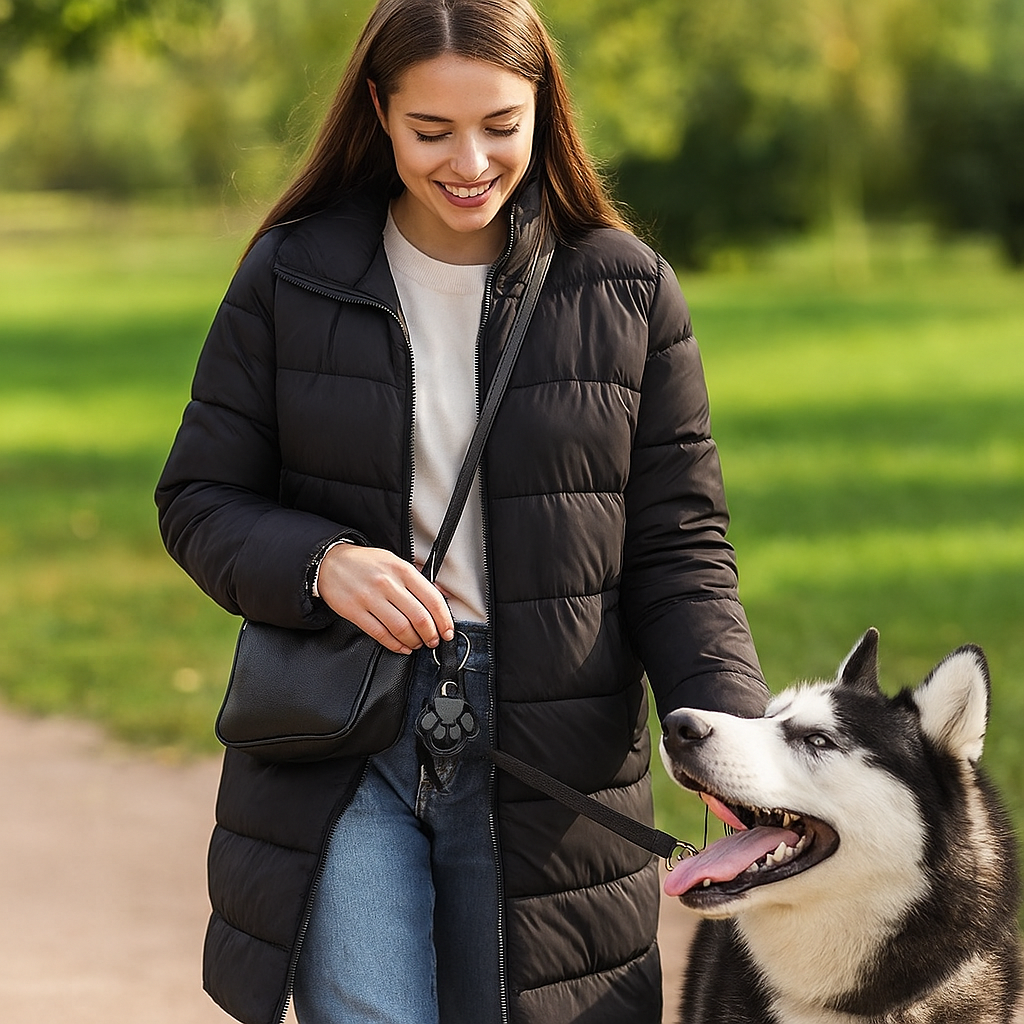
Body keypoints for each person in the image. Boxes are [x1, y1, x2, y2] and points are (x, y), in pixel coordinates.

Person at [155, 1, 769, 1022]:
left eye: (500, 125)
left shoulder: (623, 292)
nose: (469, 161)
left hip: (550, 747)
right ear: (378, 114)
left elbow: (679, 548)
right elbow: (199, 497)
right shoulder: (292, 276)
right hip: (344, 732)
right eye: (430, 132)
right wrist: (321, 563)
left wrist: (728, 730)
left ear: (543, 108)